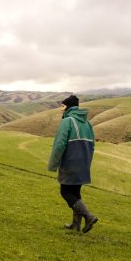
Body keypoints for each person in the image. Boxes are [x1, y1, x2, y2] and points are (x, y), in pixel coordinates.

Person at [48, 95, 98, 233]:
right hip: (83, 163)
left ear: (68, 107)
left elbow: (59, 145)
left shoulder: (67, 121)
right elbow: (93, 145)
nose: (61, 110)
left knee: (65, 191)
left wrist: (53, 164)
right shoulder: (87, 123)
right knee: (75, 192)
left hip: (70, 162)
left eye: (63, 107)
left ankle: (88, 216)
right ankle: (75, 225)